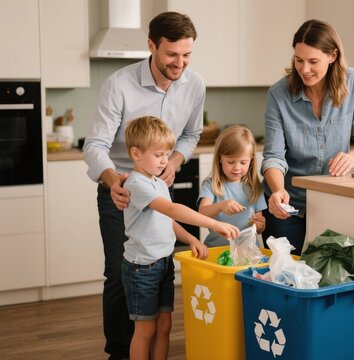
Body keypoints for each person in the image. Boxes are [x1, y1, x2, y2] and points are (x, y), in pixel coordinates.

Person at [83, 12, 205, 359]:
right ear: (151, 46)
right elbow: (95, 145)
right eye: (171, 55)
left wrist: (175, 163)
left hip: (160, 188)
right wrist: (112, 180)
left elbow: (192, 133)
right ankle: (120, 352)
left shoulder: (195, 84)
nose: (179, 63)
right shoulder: (119, 85)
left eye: (186, 55)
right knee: (120, 275)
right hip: (120, 190)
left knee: (161, 265)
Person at [261, 19, 354, 256]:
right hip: (288, 207)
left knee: (328, 277)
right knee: (285, 278)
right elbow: (273, 156)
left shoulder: (352, 82)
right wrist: (277, 191)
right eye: (298, 60)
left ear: (332, 56)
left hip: (333, 202)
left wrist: (352, 156)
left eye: (313, 61)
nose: (304, 69)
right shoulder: (279, 94)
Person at [122, 116, 239, 360]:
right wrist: (213, 223)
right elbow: (173, 210)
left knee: (164, 325)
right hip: (141, 268)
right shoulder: (137, 184)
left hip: (164, 263)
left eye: (167, 154)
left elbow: (168, 220)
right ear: (136, 153)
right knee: (146, 328)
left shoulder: (157, 182)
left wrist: (192, 239)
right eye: (159, 155)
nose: (165, 160)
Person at [198, 125, 266, 247]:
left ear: (251, 161)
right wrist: (221, 206)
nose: (237, 167)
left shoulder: (255, 188)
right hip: (216, 251)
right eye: (231, 162)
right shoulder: (211, 185)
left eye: (243, 162)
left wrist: (260, 225)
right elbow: (201, 214)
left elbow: (259, 227)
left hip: (248, 252)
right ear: (220, 158)